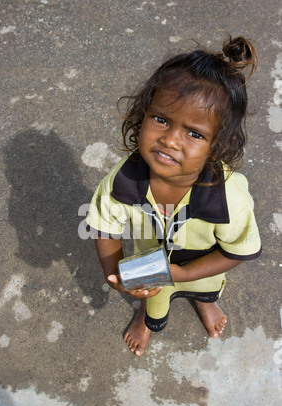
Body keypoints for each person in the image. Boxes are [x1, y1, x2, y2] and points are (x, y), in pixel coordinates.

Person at [84, 35, 262, 356]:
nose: (170, 140)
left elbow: (236, 251)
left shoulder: (229, 196)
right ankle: (145, 316)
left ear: (218, 145)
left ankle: (203, 302)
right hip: (149, 270)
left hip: (202, 268)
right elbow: (103, 226)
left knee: (206, 290)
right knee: (153, 300)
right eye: (161, 119)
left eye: (195, 133)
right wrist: (115, 272)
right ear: (143, 113)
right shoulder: (123, 179)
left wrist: (184, 274)